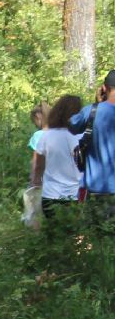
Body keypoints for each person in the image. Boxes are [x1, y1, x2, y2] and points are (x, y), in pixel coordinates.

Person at [32, 94, 85, 225]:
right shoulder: (82, 136)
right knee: (76, 235)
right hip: (76, 195)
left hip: (50, 195)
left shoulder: (46, 136)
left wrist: (36, 182)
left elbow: (38, 165)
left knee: (53, 235)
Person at [69, 72, 115, 221]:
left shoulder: (92, 111)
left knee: (96, 237)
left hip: (96, 189)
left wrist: (96, 103)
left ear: (104, 88)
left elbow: (73, 126)